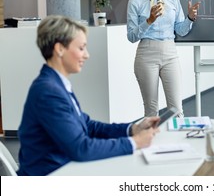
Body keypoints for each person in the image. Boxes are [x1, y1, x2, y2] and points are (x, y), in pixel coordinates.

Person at [17, 15, 160, 176]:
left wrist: (132, 129)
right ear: (60, 49)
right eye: (81, 48)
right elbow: (80, 148)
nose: (86, 55)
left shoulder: (56, 84)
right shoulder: (48, 91)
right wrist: (135, 142)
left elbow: (88, 126)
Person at [127, 0, 200, 117]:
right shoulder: (135, 2)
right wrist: (149, 21)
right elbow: (131, 36)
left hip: (170, 53)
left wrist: (189, 18)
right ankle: (153, 143)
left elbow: (180, 31)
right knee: (151, 111)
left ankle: (178, 143)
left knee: (177, 109)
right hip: (146, 55)